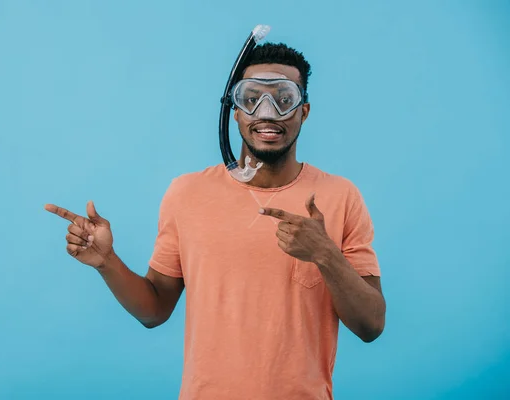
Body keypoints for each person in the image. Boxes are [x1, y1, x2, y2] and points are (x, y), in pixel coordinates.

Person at [45, 43, 386, 400]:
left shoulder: (340, 196)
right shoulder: (187, 193)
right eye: (251, 98)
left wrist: (325, 255)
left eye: (283, 99)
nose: (266, 112)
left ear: (304, 112)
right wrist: (107, 263)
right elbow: (155, 310)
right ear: (234, 111)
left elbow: (371, 325)